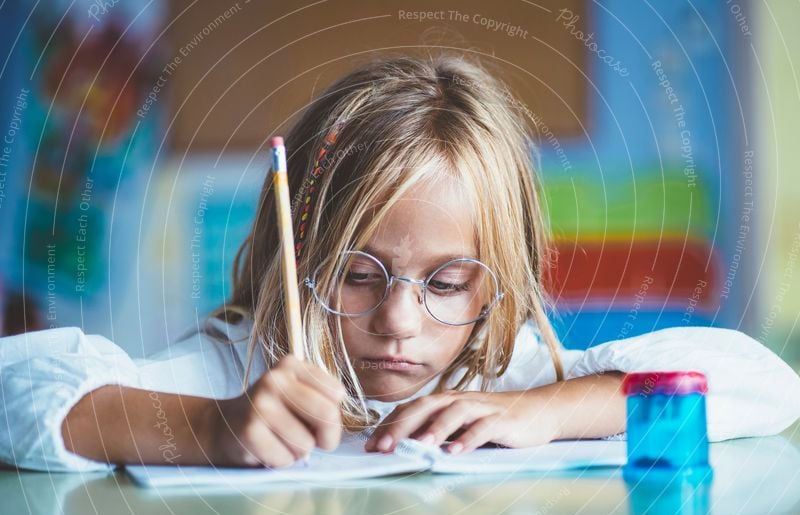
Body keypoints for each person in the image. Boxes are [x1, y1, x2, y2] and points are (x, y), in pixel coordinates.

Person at [2, 54, 799, 472]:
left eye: (448, 283)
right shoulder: (238, 370)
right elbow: (19, 392)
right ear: (296, 253)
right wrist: (212, 427)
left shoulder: (511, 377)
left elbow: (767, 385)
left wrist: (546, 412)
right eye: (357, 272)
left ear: (498, 282)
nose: (399, 322)